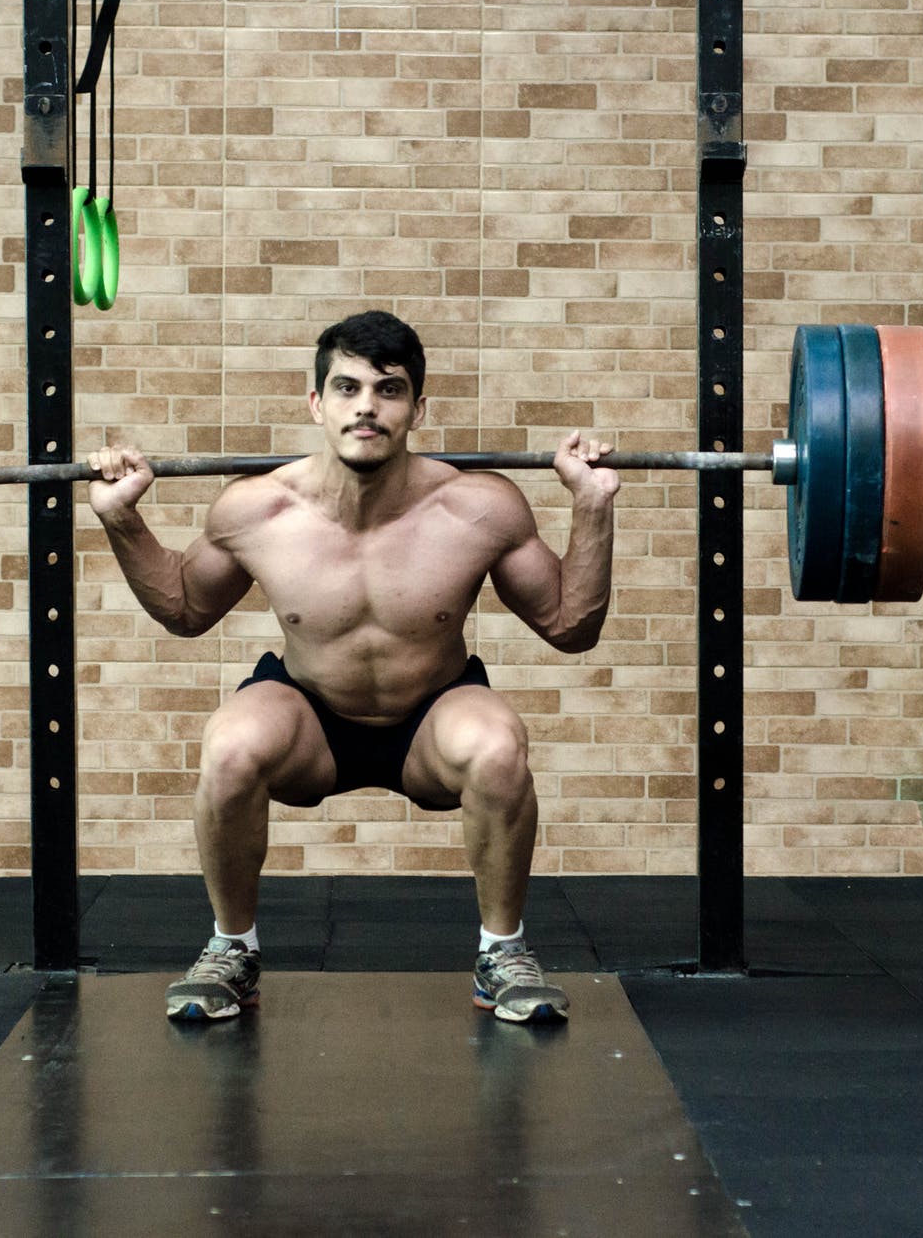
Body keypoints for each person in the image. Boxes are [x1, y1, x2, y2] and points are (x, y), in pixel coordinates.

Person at [88, 311, 619, 1023]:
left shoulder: (479, 507)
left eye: (389, 389)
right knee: (230, 743)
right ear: (317, 403)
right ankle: (231, 949)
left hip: (431, 719)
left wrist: (592, 507)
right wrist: (123, 521)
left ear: (417, 408)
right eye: (346, 388)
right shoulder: (257, 510)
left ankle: (503, 952)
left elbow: (570, 626)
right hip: (310, 719)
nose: (366, 405)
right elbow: (184, 608)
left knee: (498, 745)